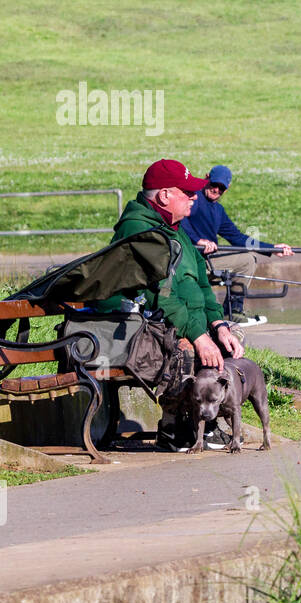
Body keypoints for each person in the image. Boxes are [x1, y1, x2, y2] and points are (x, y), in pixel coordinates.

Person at [95, 159, 244, 450]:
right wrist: (200, 337)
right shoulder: (140, 230)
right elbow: (160, 294)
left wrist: (219, 325)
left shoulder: (176, 229)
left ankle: (209, 420)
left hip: (186, 319)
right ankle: (173, 427)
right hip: (141, 325)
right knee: (186, 346)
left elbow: (202, 283)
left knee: (234, 337)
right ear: (164, 195)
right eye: (186, 192)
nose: (193, 197)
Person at [184, 165, 293, 324]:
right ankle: (232, 311)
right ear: (207, 178)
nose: (216, 190)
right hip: (191, 258)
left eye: (221, 188)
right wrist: (198, 241)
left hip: (208, 259)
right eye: (214, 184)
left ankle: (233, 310)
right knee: (248, 260)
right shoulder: (194, 199)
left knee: (248, 258)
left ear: (226, 190)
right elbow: (179, 222)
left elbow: (238, 238)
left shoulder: (218, 210)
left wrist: (272, 248)